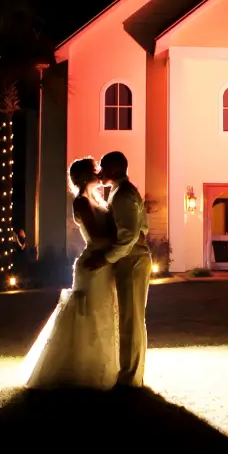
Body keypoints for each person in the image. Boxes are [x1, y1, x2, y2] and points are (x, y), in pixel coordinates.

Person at [20, 158, 119, 389]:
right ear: (85, 176)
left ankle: (102, 366)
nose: (100, 173)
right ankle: (79, 368)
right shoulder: (81, 203)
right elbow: (96, 236)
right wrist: (124, 241)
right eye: (96, 170)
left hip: (103, 262)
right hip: (93, 264)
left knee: (103, 311)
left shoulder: (97, 198)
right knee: (89, 314)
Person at [84, 151, 152, 388]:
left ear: (113, 169)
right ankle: (131, 375)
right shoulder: (119, 192)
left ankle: (130, 379)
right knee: (129, 318)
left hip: (133, 260)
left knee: (131, 320)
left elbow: (129, 236)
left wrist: (105, 259)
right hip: (129, 260)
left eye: (103, 167)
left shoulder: (123, 194)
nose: (100, 172)